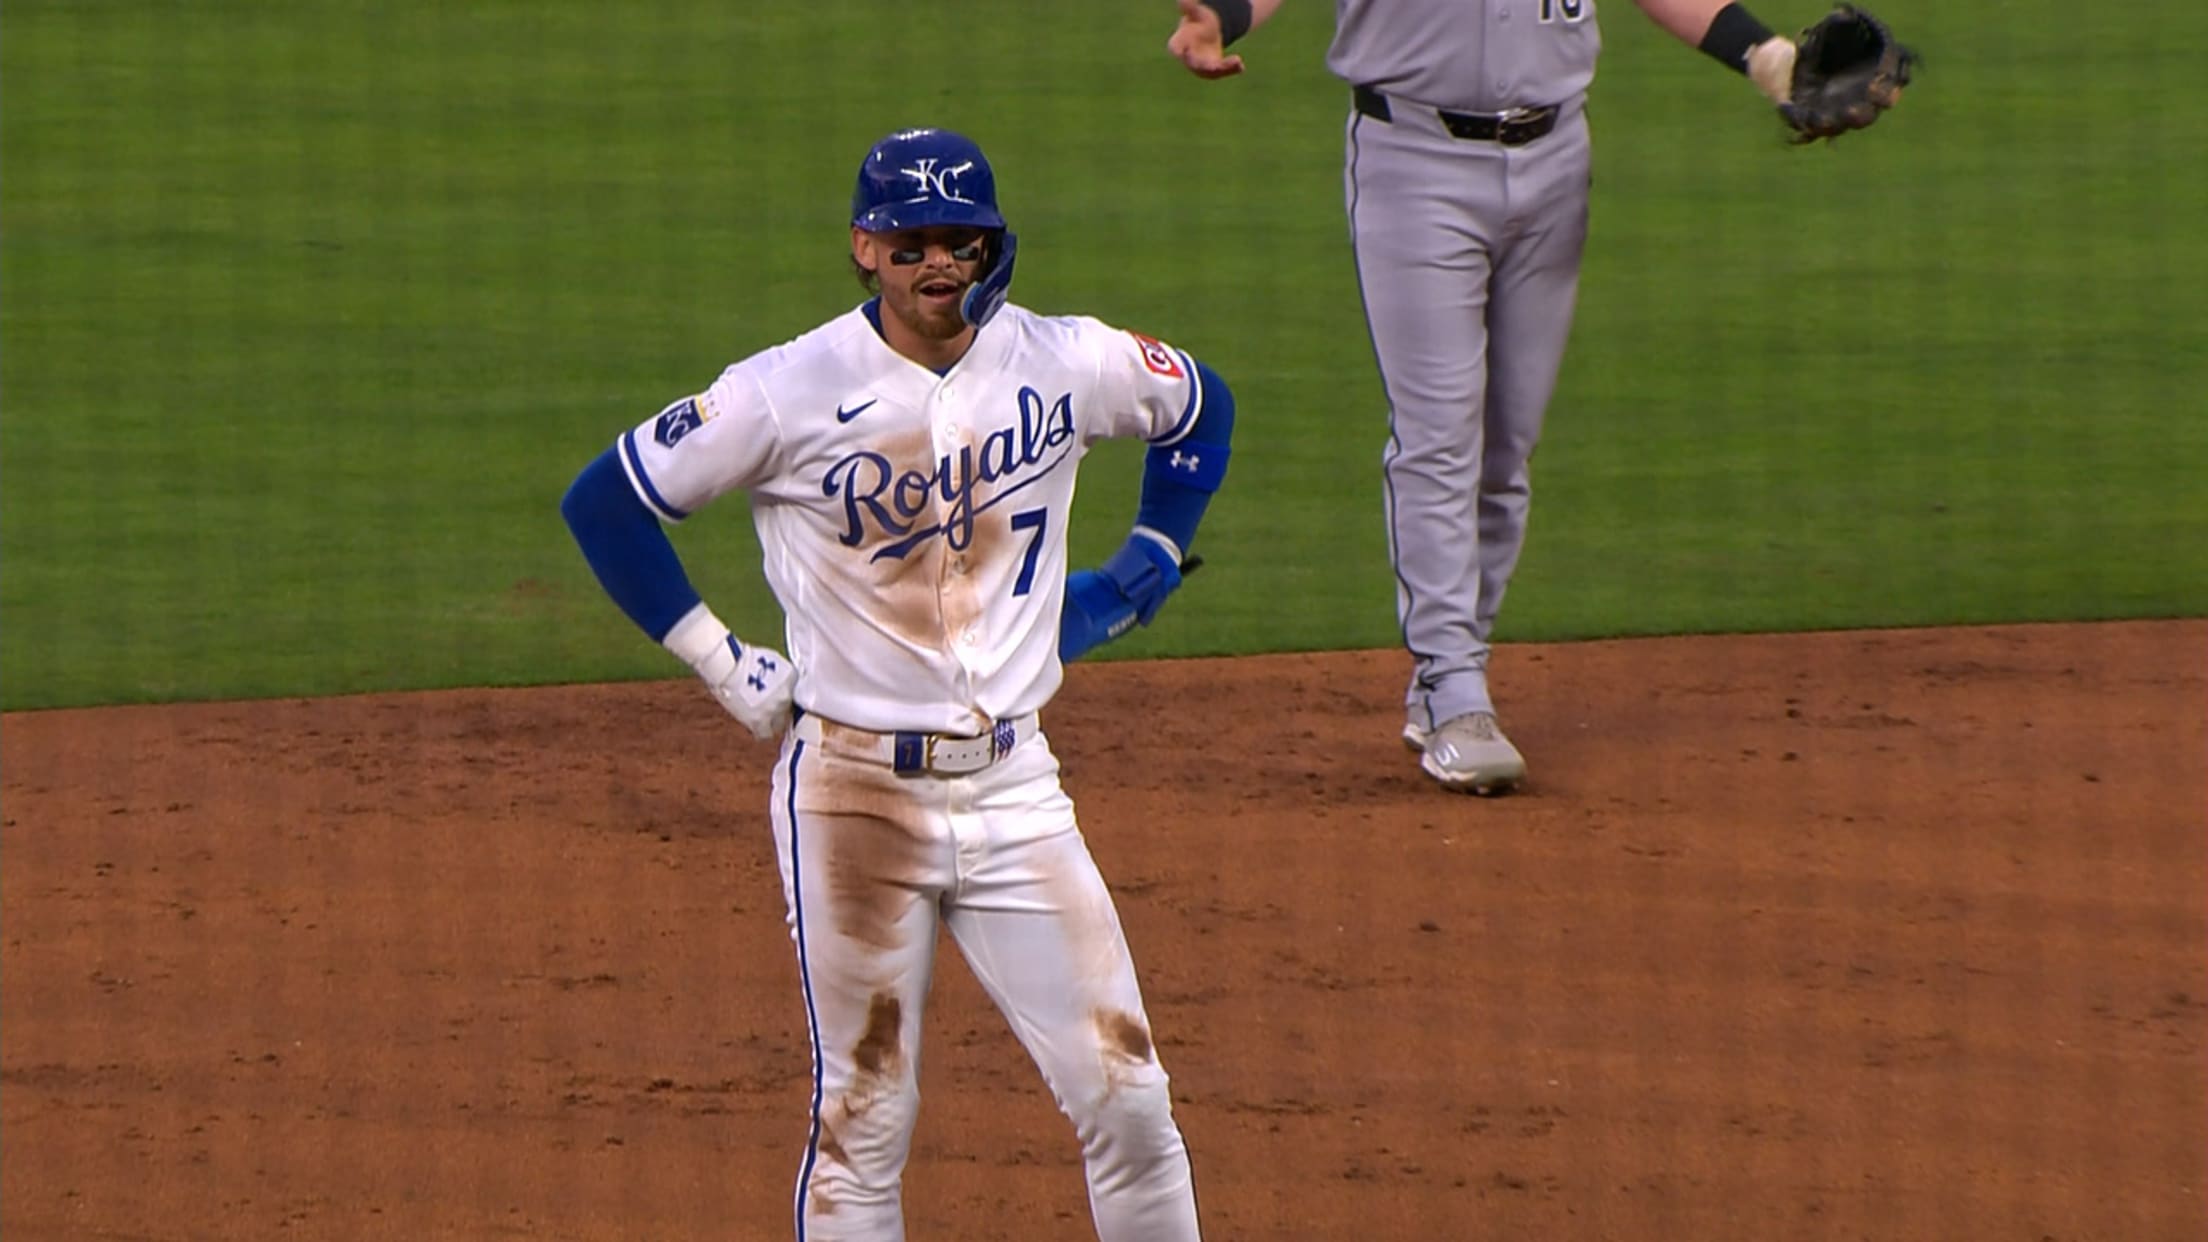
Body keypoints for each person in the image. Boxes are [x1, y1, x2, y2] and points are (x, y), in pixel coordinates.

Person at [559, 126, 1230, 1240]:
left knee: (1130, 1100)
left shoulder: (1064, 359)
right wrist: (721, 661)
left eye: (959, 241)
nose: (937, 264)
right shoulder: (785, 390)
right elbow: (605, 500)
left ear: (992, 246)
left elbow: (1201, 406)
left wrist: (1150, 555)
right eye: (909, 242)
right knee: (865, 1119)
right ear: (865, 248)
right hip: (853, 799)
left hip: (1017, 791)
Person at [1167, 0, 1824, 795]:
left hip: (1557, 161)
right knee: (1439, 435)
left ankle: (1449, 675)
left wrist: (1764, 56)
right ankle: (1453, 686)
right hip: (1415, 163)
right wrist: (1225, 17)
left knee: (1506, 448)